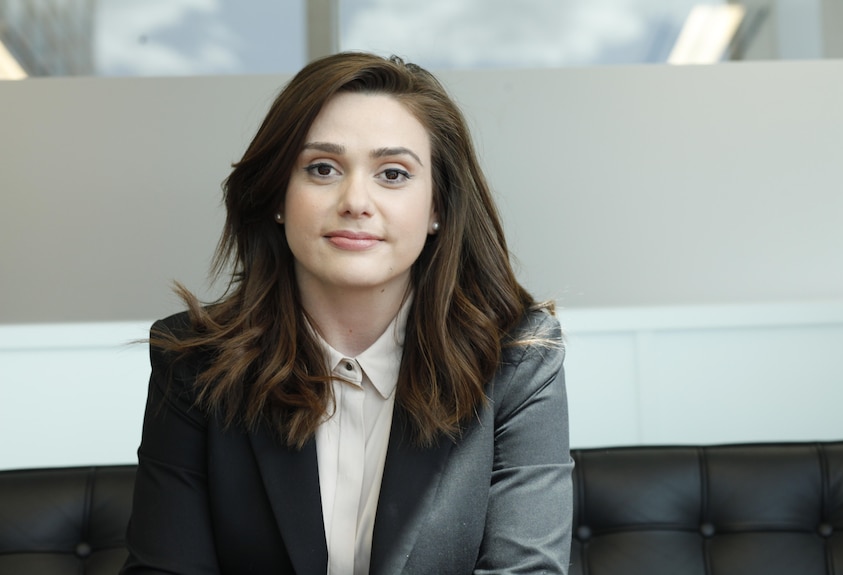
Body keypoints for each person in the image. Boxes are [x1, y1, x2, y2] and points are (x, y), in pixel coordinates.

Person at [122, 52, 572, 575]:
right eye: (322, 168)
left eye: (394, 173)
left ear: (437, 208)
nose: (356, 200)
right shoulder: (194, 362)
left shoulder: (517, 359)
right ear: (277, 197)